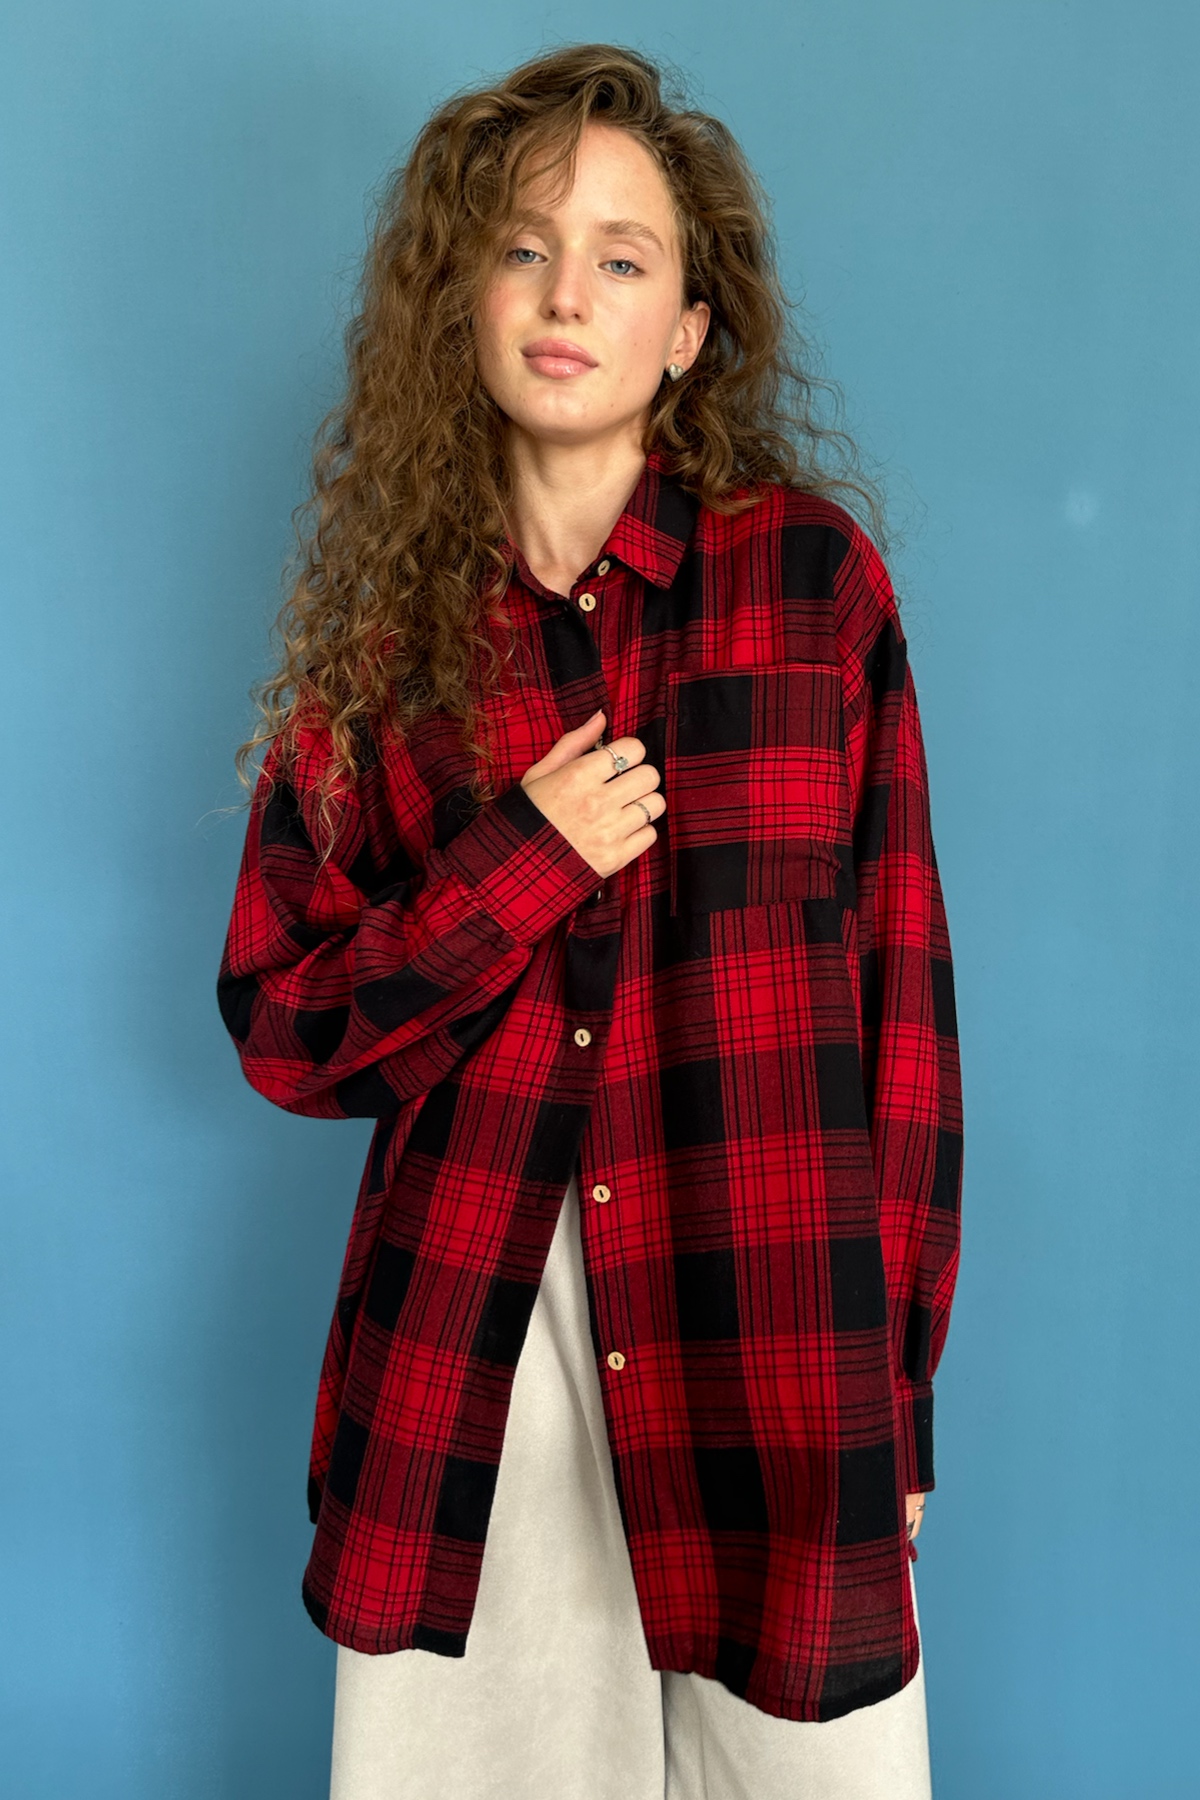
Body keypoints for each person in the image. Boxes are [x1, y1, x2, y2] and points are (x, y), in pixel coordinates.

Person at [217, 41, 963, 1800]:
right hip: (475, 1353)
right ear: (463, 303)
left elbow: (905, 1013)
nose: (568, 295)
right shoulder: (384, 650)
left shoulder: (810, 588)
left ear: (688, 330)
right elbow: (285, 1029)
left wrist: (903, 1388)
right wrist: (524, 862)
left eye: (623, 259)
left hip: (772, 1335)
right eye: (523, 248)